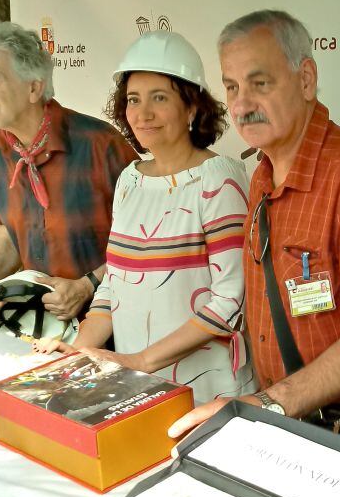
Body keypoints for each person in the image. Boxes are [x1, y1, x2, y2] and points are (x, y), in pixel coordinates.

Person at [168, 10, 340, 457]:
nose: (242, 103)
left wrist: (267, 404)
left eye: (260, 83)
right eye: (231, 87)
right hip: (292, 424)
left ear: (306, 79)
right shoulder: (261, 174)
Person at [38, 31, 255, 401]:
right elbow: (114, 284)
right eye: (134, 100)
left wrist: (140, 360)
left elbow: (230, 301)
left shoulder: (219, 178)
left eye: (160, 98)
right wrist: (79, 351)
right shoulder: (130, 179)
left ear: (192, 107)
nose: (143, 113)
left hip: (206, 391)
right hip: (138, 384)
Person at [0, 22, 136, 327]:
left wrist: (87, 285)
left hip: (116, 326)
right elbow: (8, 235)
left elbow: (150, 241)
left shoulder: (101, 144)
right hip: (43, 331)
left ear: (34, 87)